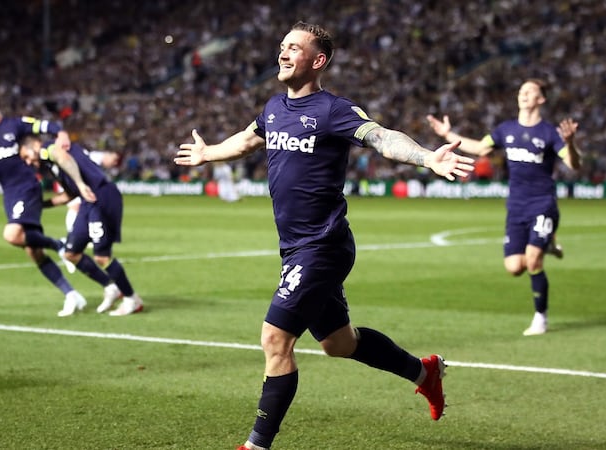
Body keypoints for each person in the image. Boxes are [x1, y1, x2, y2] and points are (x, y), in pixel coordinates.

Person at [175, 21, 474, 450]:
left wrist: (427, 158)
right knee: (339, 343)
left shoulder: (332, 110)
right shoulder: (275, 107)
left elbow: (380, 136)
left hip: (323, 246)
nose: (282, 53)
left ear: (318, 61)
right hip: (296, 247)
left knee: (275, 340)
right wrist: (208, 153)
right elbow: (247, 140)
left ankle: (256, 445)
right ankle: (425, 372)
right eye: (282, 46)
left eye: (294, 48)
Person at [426, 78, 582, 336]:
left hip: (542, 203)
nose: (524, 94)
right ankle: (549, 243)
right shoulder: (505, 130)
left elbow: (574, 165)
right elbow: (479, 148)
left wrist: (572, 143)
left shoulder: (550, 133)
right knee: (514, 267)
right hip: (516, 206)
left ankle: (540, 318)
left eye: (530, 91)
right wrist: (447, 135)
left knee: (533, 260)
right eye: (521, 90)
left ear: (541, 99)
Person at [0, 90, 90, 317]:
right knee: (34, 252)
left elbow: (46, 125)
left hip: (27, 187)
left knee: (12, 234)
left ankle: (60, 245)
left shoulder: (15, 125)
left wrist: (60, 133)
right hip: (10, 194)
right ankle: (72, 295)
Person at [19, 135, 144, 316]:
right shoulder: (50, 163)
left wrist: (79, 183)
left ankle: (132, 299)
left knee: (102, 256)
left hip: (101, 195)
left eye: (26, 156)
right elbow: (69, 195)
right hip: (88, 201)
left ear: (34, 145)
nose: (29, 161)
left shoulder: (48, 149)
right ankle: (111, 287)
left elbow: (64, 157)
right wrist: (40, 205)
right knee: (71, 253)